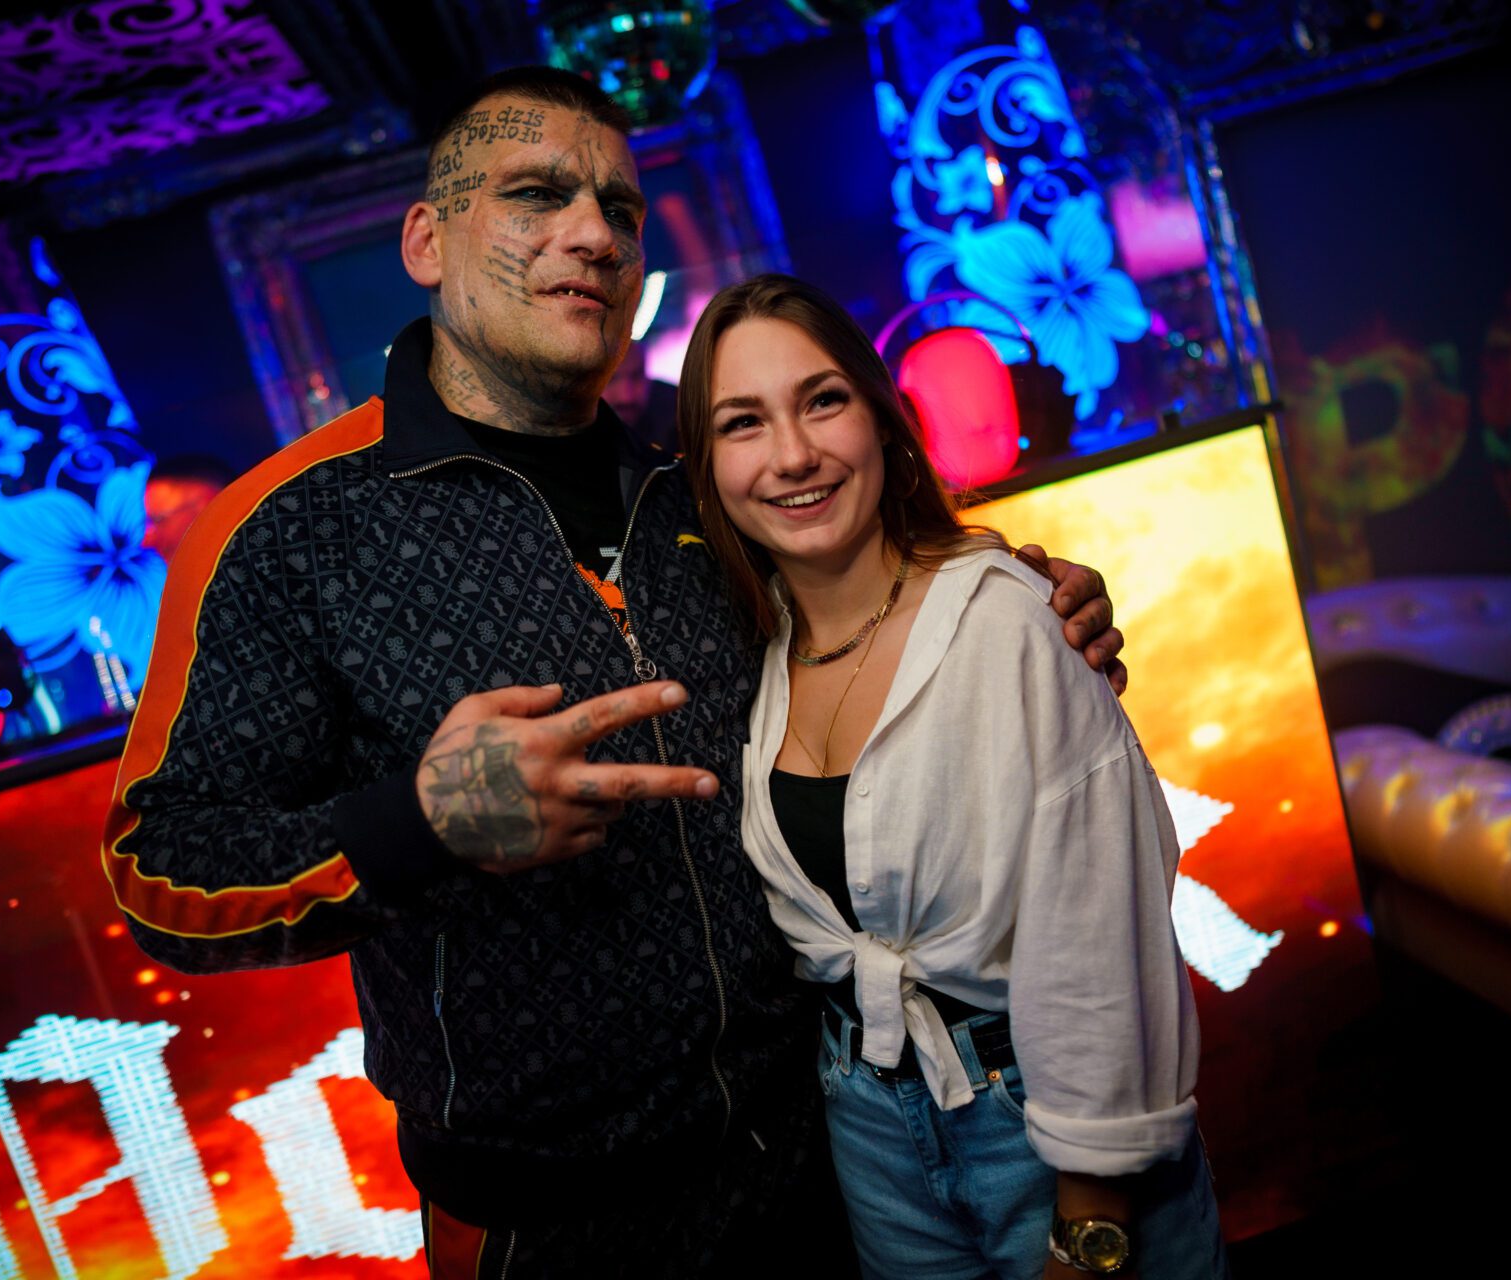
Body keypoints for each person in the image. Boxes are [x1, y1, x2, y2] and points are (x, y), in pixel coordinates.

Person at [101, 68, 1120, 1277]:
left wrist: (1021, 604)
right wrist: (420, 824)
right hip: (552, 1225)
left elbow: (876, 624)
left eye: (621, 211)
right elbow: (161, 871)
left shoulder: (702, 491)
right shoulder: (287, 532)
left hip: (835, 1164)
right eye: (537, 195)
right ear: (427, 241)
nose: (594, 232)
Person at [676, 274, 1227, 1280]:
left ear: (885, 421)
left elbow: (1101, 935)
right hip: (866, 1126)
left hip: (1045, 1124)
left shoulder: (1011, 621)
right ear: (708, 470)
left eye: (822, 400)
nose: (792, 454)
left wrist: (1090, 1222)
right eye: (742, 422)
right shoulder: (753, 658)